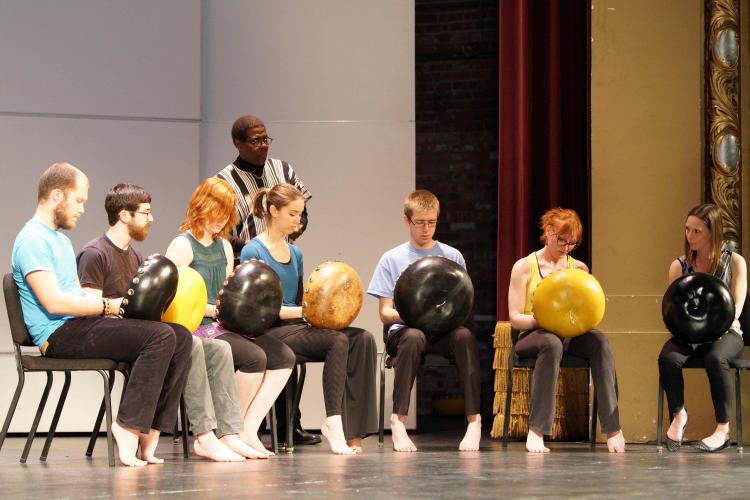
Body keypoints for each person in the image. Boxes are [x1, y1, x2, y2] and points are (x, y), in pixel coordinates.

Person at [11, 163, 191, 466]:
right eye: (79, 200)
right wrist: (109, 306)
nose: (82, 209)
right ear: (57, 195)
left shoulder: (59, 239)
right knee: (159, 336)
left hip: (79, 325)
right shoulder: (32, 240)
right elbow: (54, 303)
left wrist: (121, 309)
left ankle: (151, 430)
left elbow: (77, 294)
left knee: (181, 336)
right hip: (57, 335)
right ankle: (127, 426)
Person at [76, 183, 257, 461]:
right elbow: (91, 307)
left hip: (139, 332)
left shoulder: (135, 256)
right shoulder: (95, 253)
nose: (151, 219)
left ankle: (229, 433)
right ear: (124, 215)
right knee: (189, 343)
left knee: (219, 348)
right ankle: (204, 435)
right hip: (112, 334)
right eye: (145, 213)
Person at [240, 183, 377, 455]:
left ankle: (353, 432)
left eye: (300, 214)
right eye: (292, 214)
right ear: (273, 210)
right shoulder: (253, 251)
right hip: (269, 331)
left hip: (298, 327)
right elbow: (260, 309)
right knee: (337, 341)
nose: (298, 220)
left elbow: (302, 298)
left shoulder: (296, 253)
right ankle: (333, 422)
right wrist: (307, 311)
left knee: (362, 339)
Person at [165, 178, 295, 457]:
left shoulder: (224, 246)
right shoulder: (182, 245)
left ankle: (247, 428)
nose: (220, 220)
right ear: (201, 206)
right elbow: (173, 300)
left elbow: (228, 294)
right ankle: (228, 430)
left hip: (223, 324)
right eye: (216, 212)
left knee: (283, 356)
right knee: (253, 357)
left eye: (226, 215)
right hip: (196, 328)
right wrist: (212, 310)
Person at [217, 114, 317, 446]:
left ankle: (290, 425)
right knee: (268, 344)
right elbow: (224, 230)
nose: (263, 146)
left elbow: (302, 210)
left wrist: (289, 233)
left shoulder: (283, 169)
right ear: (238, 143)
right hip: (249, 270)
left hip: (282, 256)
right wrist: (255, 248)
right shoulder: (226, 181)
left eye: (266, 139)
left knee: (290, 334)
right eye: (255, 141)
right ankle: (252, 424)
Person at [367, 189, 482, 452]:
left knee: (464, 336)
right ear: (407, 221)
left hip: (442, 331)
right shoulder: (391, 259)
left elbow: (461, 304)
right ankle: (398, 421)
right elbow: (385, 313)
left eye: (432, 222)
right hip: (405, 331)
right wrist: (416, 314)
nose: (426, 229)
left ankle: (474, 421)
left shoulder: (452, 256)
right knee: (413, 336)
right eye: (419, 222)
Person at [507, 207, 625, 453]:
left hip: (568, 335)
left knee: (599, 341)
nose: (566, 247)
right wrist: (543, 320)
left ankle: (613, 429)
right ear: (548, 231)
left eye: (572, 243)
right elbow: (515, 318)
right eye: (562, 240)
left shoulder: (578, 269)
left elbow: (584, 309)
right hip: (533, 335)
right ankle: (537, 431)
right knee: (551, 342)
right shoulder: (525, 266)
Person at [658, 203, 747, 453]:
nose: (690, 236)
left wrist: (716, 328)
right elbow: (675, 308)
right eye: (687, 229)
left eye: (697, 231)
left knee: (716, 358)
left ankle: (723, 429)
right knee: (668, 358)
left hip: (726, 332)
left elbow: (737, 305)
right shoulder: (679, 266)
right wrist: (686, 331)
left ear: (713, 232)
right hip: (690, 333)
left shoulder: (734, 262)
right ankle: (679, 414)